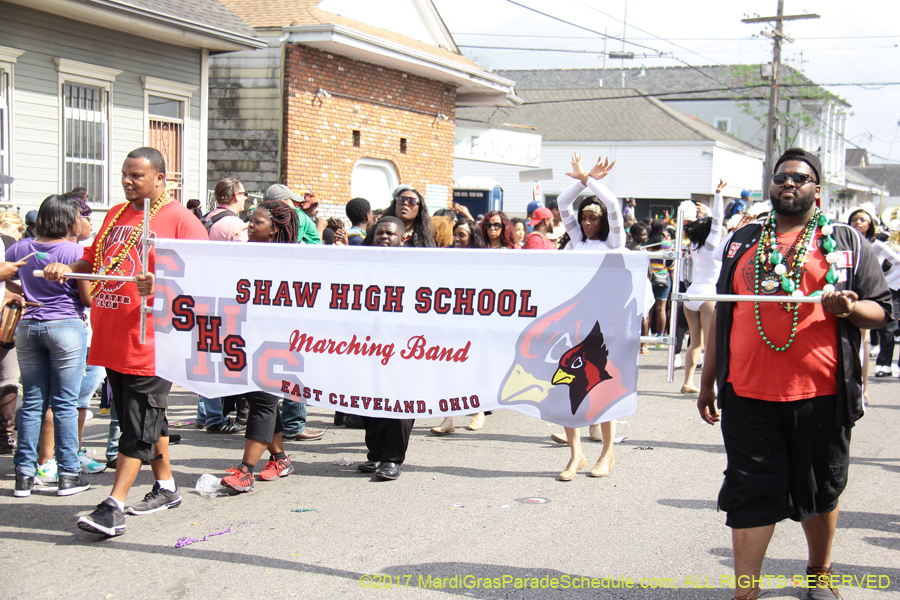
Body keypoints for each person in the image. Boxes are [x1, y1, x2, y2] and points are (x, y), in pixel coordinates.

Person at [698, 148, 891, 600]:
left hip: (821, 393)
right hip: (747, 391)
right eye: (782, 177)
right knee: (749, 490)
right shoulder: (743, 239)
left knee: (820, 487)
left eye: (800, 179)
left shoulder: (845, 240)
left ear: (816, 189)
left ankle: (819, 575)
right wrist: (708, 377)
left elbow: (881, 311)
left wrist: (848, 306)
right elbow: (723, 314)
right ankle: (745, 591)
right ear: (771, 185)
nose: (790, 184)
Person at [43, 147, 209, 537]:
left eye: (136, 175)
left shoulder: (181, 220)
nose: (127, 181)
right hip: (112, 336)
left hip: (151, 341)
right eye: (124, 174)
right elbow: (93, 259)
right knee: (148, 417)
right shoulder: (117, 213)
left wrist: (164, 285)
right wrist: (69, 269)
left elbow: (205, 279)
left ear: (161, 179)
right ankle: (166, 486)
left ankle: (112, 506)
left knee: (135, 426)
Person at [10, 195, 93, 497]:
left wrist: (21, 291)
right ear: (68, 219)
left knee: (32, 402)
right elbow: (86, 299)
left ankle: (23, 475)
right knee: (65, 403)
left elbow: (7, 274)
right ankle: (68, 474)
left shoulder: (20, 247)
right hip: (66, 326)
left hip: (29, 326)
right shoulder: (75, 250)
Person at [220, 200, 305, 492]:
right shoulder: (247, 254)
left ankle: (246, 470)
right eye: (249, 219)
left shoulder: (291, 260)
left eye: (256, 222)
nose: (248, 225)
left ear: (274, 230)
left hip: (277, 342)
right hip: (249, 337)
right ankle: (280, 458)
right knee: (259, 400)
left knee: (264, 399)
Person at [549, 152, 622, 481]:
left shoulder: (614, 244)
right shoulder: (577, 242)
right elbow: (564, 205)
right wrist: (581, 180)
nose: (587, 222)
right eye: (584, 218)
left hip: (604, 328)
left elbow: (615, 207)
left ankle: (607, 454)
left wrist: (590, 181)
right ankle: (576, 453)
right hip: (573, 322)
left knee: (603, 389)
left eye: (594, 217)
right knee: (568, 388)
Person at [357, 216, 415, 480]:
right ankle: (376, 455)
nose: (383, 236)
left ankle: (393, 459)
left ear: (403, 238)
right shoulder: (363, 265)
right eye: (379, 232)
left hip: (404, 346)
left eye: (389, 233)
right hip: (368, 345)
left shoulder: (413, 268)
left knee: (398, 402)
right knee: (371, 400)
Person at [430, 220, 488, 436]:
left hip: (474, 323)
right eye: (455, 234)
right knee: (448, 369)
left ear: (473, 236)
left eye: (462, 235)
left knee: (473, 369)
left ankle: (479, 411)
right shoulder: (446, 255)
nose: (456, 239)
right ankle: (448, 419)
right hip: (450, 321)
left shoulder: (484, 259)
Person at [680, 180, 727, 394]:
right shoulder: (711, 244)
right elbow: (718, 221)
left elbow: (710, 222)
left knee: (694, 343)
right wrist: (718, 195)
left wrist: (704, 212)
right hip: (709, 295)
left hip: (691, 295)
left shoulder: (694, 245)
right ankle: (713, 385)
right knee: (711, 345)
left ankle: (688, 382)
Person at [363, 185, 436, 248]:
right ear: (394, 205)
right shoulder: (377, 233)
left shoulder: (425, 241)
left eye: (412, 201)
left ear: (419, 210)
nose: (405, 203)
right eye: (401, 200)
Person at [205, 178, 249, 242]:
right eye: (244, 194)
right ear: (236, 196)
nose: (245, 198)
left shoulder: (208, 218)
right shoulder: (237, 226)